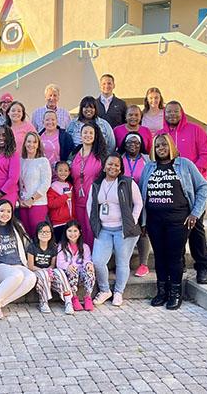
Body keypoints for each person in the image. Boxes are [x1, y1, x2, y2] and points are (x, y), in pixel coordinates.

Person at [139, 133, 207, 310]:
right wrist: (143, 221)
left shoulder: (184, 164)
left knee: (175, 256)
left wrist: (195, 213)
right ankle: (162, 291)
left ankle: (175, 293)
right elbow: (142, 194)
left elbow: (202, 187)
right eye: (157, 146)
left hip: (178, 220)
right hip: (155, 221)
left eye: (164, 145)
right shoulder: (149, 167)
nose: (161, 148)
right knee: (160, 256)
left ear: (170, 145)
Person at [161, 101, 207, 284]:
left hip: (193, 189)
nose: (172, 115)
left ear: (182, 113)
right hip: (171, 193)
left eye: (176, 112)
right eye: (168, 112)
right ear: (164, 113)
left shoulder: (195, 130)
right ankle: (179, 264)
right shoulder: (161, 135)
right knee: (176, 231)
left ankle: (202, 266)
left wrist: (191, 173)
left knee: (196, 228)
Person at [88, 153, 143, 307]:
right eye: (110, 164)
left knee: (122, 262)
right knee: (98, 261)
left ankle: (119, 292)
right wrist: (94, 223)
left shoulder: (127, 182)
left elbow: (138, 203)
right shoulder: (97, 184)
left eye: (117, 165)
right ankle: (105, 290)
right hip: (104, 229)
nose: (113, 167)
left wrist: (133, 220)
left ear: (121, 168)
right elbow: (90, 205)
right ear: (104, 166)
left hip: (123, 229)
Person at [0, 200, 37, 323]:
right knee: (17, 275)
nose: (5, 214)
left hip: (17, 264)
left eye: (8, 211)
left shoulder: (17, 226)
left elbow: (28, 244)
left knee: (31, 277)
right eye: (2, 211)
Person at [68, 122, 106, 247]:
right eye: (85, 132)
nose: (88, 135)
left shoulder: (100, 155)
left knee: (91, 230)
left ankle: (92, 260)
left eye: (91, 133)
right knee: (78, 230)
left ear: (95, 135)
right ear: (80, 135)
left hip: (93, 199)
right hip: (76, 198)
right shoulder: (74, 153)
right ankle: (79, 258)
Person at [120, 132, 151, 277]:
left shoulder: (147, 160)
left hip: (143, 200)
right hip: (123, 200)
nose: (133, 145)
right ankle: (122, 262)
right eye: (129, 143)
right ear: (124, 145)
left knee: (142, 230)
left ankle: (143, 264)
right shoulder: (119, 159)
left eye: (136, 143)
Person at [27, 221, 73, 315]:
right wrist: (44, 271)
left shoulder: (53, 247)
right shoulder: (32, 247)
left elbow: (52, 265)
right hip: (37, 273)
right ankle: (44, 301)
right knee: (43, 274)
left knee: (59, 271)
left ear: (51, 233)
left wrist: (49, 271)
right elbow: (30, 266)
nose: (45, 234)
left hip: (49, 273)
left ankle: (68, 301)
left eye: (47, 232)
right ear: (37, 234)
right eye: (42, 232)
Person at [56, 220, 95, 311]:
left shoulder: (85, 247)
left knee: (90, 270)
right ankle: (74, 297)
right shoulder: (61, 246)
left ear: (80, 232)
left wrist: (89, 264)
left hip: (81, 273)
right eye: (69, 231)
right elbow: (59, 262)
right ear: (65, 232)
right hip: (69, 274)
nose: (72, 234)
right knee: (72, 271)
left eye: (75, 231)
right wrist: (67, 266)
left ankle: (87, 297)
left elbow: (87, 259)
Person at [18, 132, 52, 236]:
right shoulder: (20, 160)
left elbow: (46, 183)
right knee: (25, 233)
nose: (31, 144)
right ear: (24, 143)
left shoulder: (43, 161)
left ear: (38, 145)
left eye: (34, 142)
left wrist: (32, 199)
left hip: (38, 203)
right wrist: (20, 200)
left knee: (38, 233)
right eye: (28, 141)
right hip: (23, 203)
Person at [47, 161, 74, 243]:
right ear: (55, 171)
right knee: (60, 244)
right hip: (58, 222)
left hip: (70, 221)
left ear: (69, 172)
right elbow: (51, 204)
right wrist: (65, 197)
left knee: (69, 243)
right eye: (60, 170)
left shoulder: (70, 186)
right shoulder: (53, 187)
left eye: (66, 170)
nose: (63, 173)